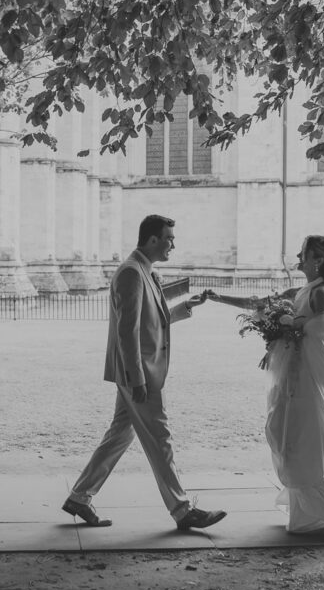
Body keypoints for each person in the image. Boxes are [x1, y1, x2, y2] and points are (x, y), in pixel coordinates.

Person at [62, 214, 227, 531]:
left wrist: (186, 307)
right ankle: (182, 509)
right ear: (153, 239)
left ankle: (79, 497)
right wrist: (137, 379)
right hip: (140, 373)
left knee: (120, 435)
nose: (173, 245)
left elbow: (152, 322)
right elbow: (128, 331)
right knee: (160, 437)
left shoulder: (143, 270)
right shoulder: (131, 273)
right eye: (169, 239)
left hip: (140, 370)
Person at [208, 235, 324, 537]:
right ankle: (306, 511)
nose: (298, 258)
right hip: (293, 371)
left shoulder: (323, 292)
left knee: (311, 435)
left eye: (303, 254)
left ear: (318, 261)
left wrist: (290, 324)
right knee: (287, 431)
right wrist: (219, 298)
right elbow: (259, 303)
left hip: (310, 373)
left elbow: (323, 328)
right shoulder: (303, 290)